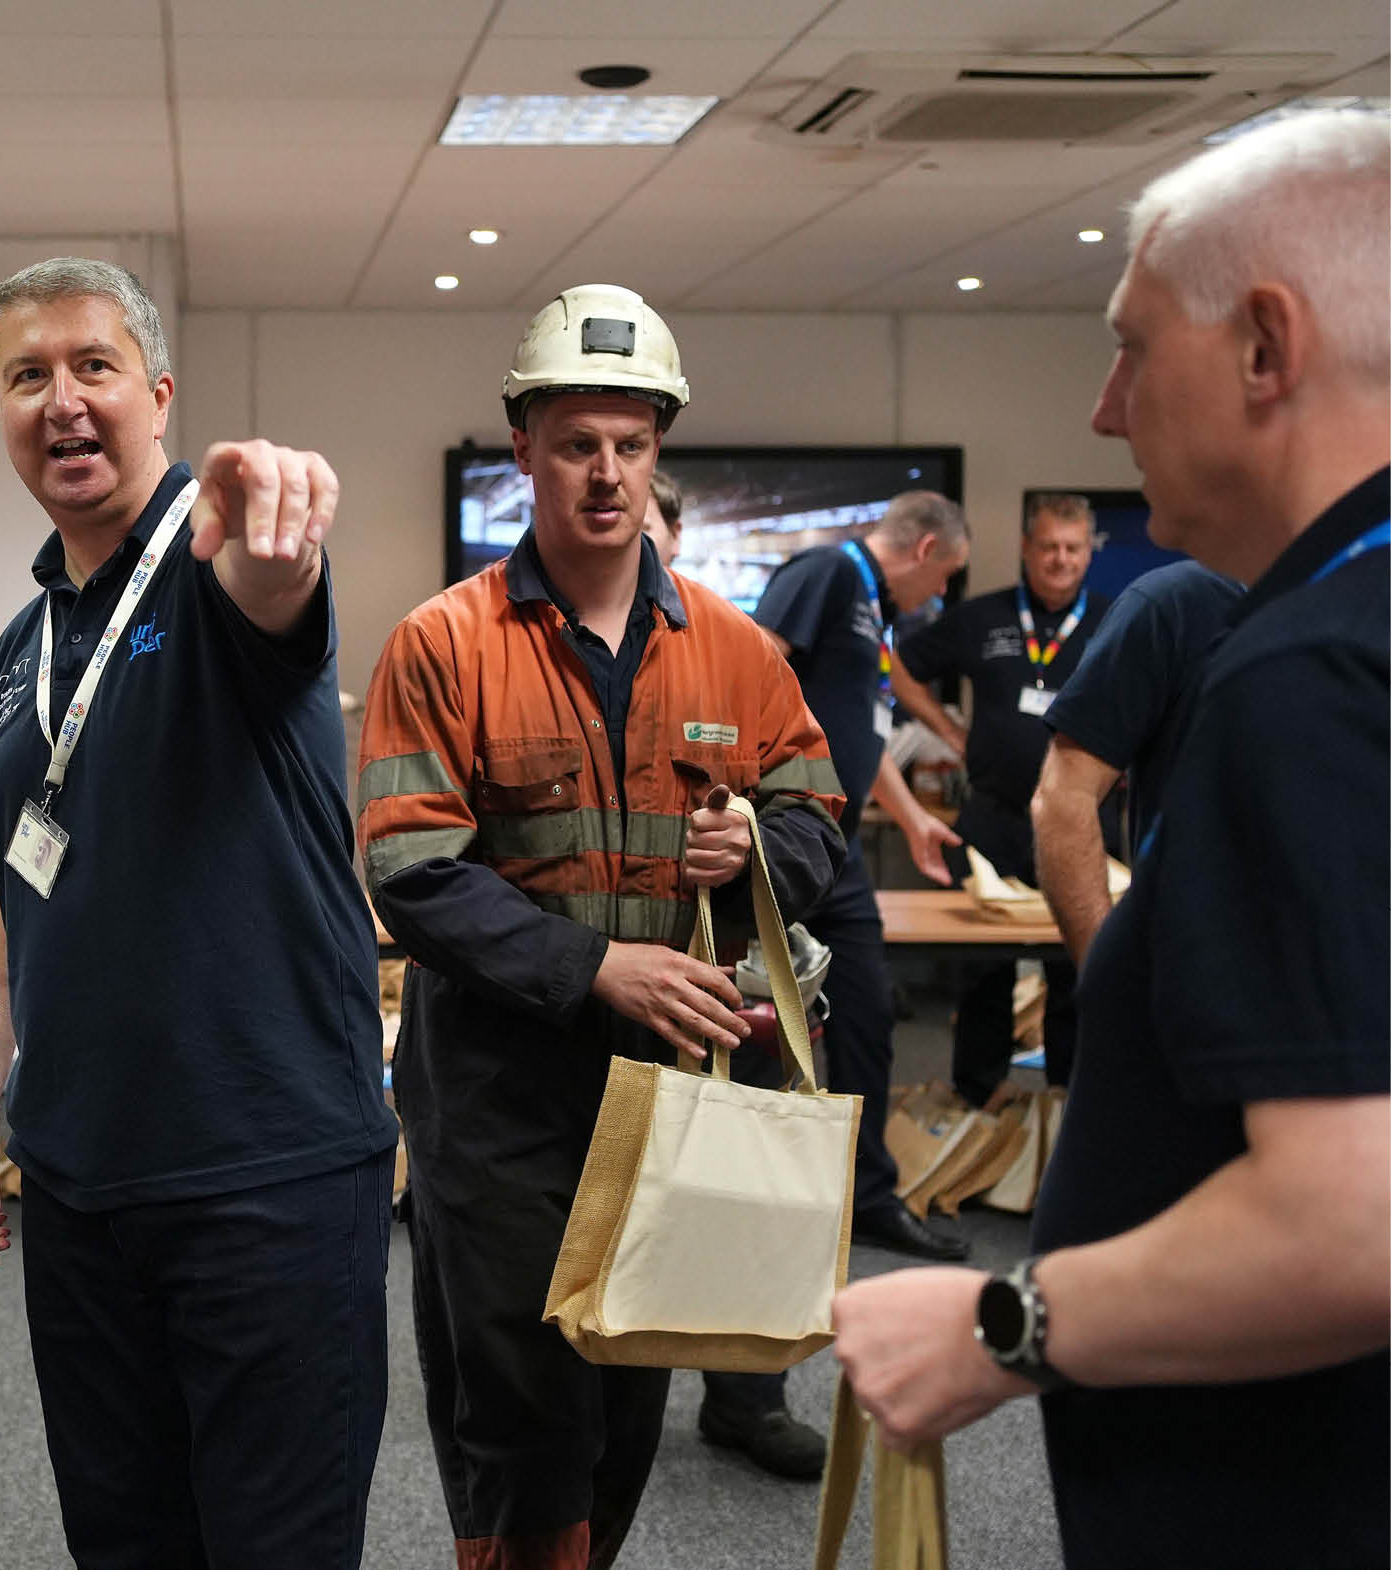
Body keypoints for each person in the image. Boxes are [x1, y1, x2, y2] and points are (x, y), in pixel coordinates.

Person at [831, 110, 1389, 1570]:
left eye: (1135, 348)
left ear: (1266, 347)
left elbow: (1354, 1223)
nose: (1102, 408)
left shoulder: (1312, 675)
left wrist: (999, 1323)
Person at [357, 284, 848, 1566]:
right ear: (524, 448)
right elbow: (410, 867)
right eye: (577, 443)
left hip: (665, 1096)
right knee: (520, 1417)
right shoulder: (443, 644)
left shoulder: (738, 651)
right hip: (499, 1102)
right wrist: (595, 968)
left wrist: (762, 849)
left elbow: (817, 820)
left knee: (626, 1410)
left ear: (658, 450)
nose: (606, 473)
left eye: (630, 444)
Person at [0, 257, 396, 1570]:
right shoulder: (21, 647)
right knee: (125, 1544)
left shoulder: (214, 574)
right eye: (27, 376)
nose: (63, 400)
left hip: (266, 1179)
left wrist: (275, 526)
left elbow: (274, 581)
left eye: (95, 366)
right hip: (82, 1186)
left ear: (159, 394)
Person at [751, 492, 978, 1266]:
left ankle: (869, 1197)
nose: (940, 594)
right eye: (945, 577)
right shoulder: (829, 572)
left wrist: (912, 820)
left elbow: (861, 733)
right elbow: (752, 665)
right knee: (759, 1031)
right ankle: (750, 1201)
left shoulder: (875, 613)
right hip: (785, 836)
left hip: (839, 853)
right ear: (924, 550)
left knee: (867, 1018)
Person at [893, 491, 1112, 1107]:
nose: (1060, 559)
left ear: (1088, 553)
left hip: (1082, 820)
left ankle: (1073, 1098)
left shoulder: (1114, 620)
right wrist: (949, 730)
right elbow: (898, 666)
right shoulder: (983, 617)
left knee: (1078, 962)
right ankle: (977, 1098)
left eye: (1072, 548)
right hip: (993, 818)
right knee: (983, 970)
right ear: (1026, 548)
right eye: (1048, 547)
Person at [1030, 559, 1240, 966]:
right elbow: (1063, 798)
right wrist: (1103, 975)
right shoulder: (1177, 604)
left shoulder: (1358, 613)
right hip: (1200, 967)